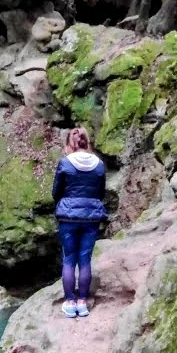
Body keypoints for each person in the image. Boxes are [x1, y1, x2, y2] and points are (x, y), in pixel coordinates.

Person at [51, 127, 108, 319]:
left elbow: (56, 192)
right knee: (85, 260)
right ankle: (82, 303)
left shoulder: (65, 163)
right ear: (87, 142)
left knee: (69, 259)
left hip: (68, 216)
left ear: (70, 144)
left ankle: (69, 302)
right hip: (91, 216)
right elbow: (101, 192)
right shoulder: (99, 165)